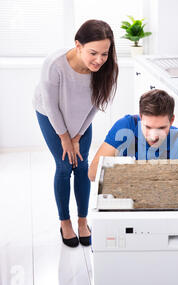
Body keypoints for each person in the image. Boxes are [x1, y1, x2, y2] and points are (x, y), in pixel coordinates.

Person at [33, 20, 118, 248]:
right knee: (63, 166)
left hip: (81, 119)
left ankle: (82, 221)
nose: (99, 60)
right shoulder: (55, 64)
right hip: (51, 116)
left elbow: (96, 105)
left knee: (81, 166)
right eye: (93, 53)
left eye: (104, 54)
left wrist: (77, 137)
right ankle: (65, 222)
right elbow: (51, 106)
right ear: (78, 45)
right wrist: (64, 138)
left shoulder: (105, 68)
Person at [88, 89, 178, 181]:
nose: (154, 136)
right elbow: (93, 174)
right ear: (141, 117)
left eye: (161, 128)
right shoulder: (126, 125)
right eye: (148, 127)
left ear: (172, 121)